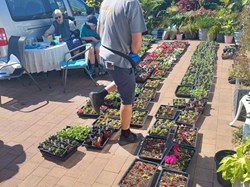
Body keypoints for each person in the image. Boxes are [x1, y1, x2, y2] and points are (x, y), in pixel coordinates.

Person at [89, 0, 147, 145]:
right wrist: (133, 53)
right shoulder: (132, 4)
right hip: (120, 58)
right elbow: (136, 44)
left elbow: (98, 31)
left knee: (123, 80)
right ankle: (125, 134)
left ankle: (99, 96)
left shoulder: (106, 2)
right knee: (127, 98)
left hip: (105, 54)